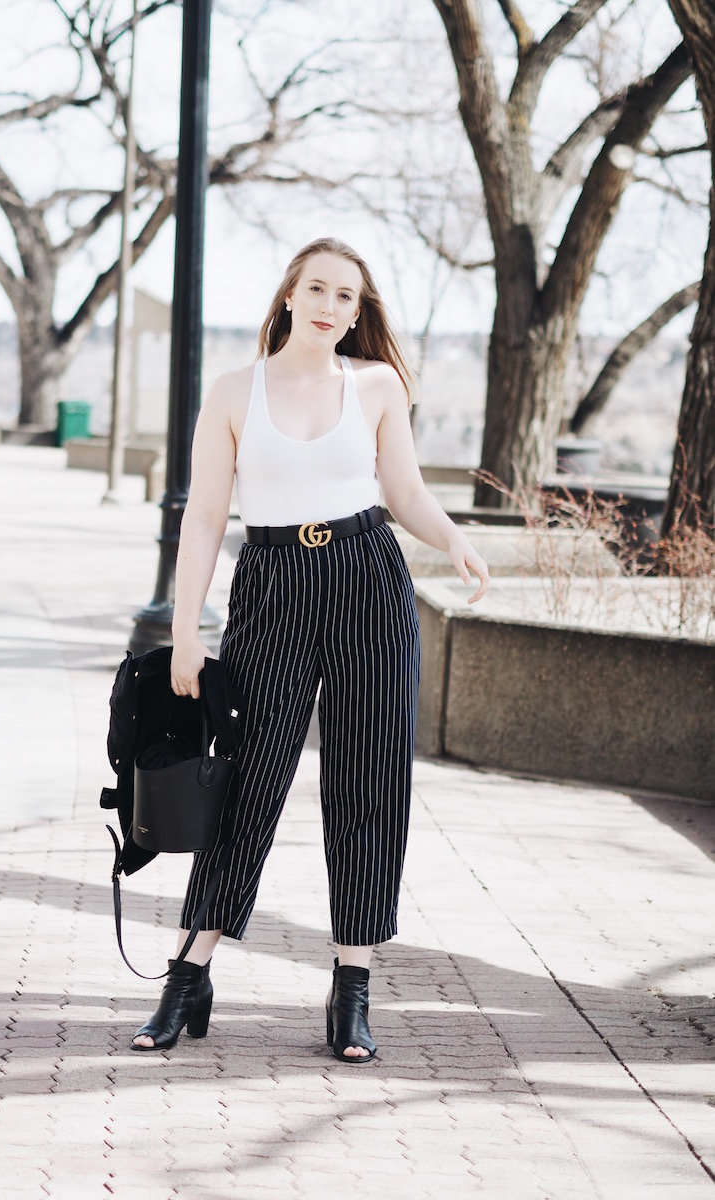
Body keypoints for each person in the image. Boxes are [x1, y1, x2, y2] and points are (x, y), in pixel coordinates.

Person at [131, 236, 490, 1062]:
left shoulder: (376, 385)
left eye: (348, 298)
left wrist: (454, 539)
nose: (332, 307)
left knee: (369, 778)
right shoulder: (233, 392)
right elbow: (205, 520)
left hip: (369, 578)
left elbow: (402, 493)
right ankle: (189, 973)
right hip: (271, 585)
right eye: (318, 289)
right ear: (289, 295)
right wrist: (186, 633)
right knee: (248, 778)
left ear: (358, 314)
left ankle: (353, 985)